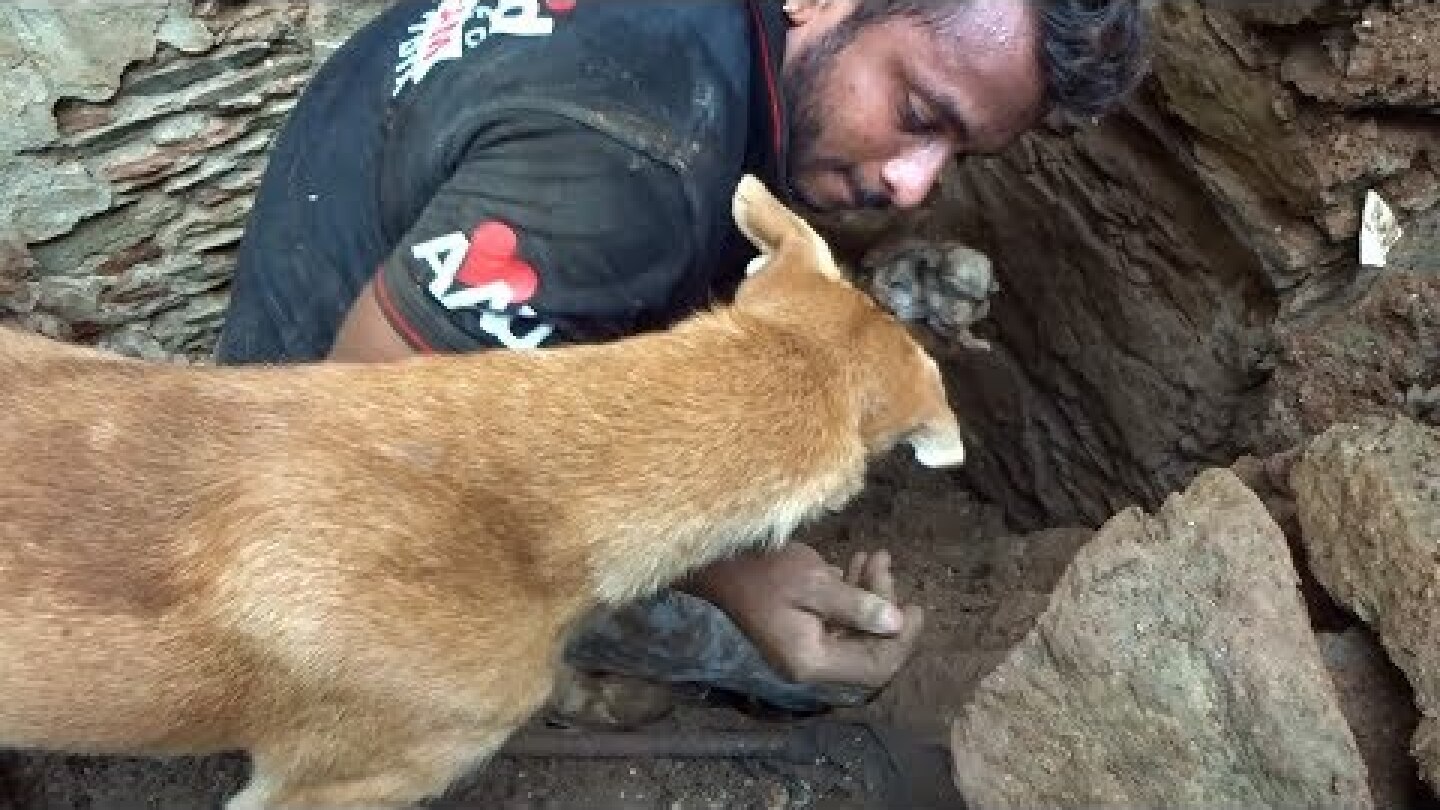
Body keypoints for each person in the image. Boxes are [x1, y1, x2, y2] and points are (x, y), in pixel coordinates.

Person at [216, 0, 1148, 717]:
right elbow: (356, 441)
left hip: (348, 278)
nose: (914, 184)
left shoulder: (701, 65)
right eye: (917, 112)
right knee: (810, 675)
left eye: (957, 153)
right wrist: (735, 570)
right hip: (306, 462)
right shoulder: (635, 169)